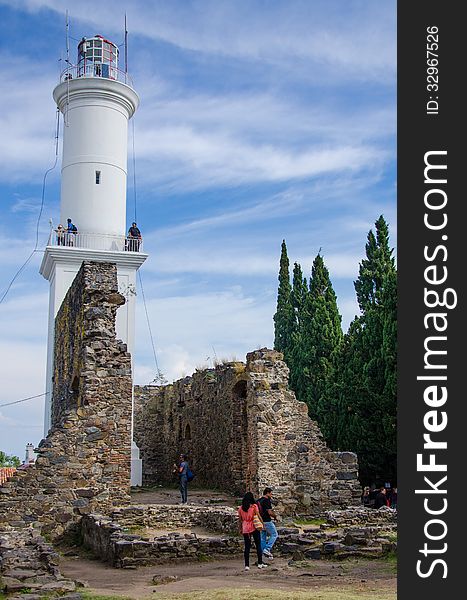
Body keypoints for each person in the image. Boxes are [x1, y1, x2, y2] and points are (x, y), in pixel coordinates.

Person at [238, 492, 266, 571]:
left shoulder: (241, 508)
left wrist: (240, 528)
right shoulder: (254, 506)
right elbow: (258, 516)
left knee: (247, 546)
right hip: (254, 526)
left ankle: (247, 565)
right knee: (258, 544)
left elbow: (240, 520)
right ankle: (260, 563)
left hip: (245, 527)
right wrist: (263, 525)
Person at [257, 487, 278, 559]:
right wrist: (275, 516)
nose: (271, 495)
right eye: (271, 494)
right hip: (267, 521)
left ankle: (263, 552)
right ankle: (267, 549)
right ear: (267, 493)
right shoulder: (267, 501)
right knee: (274, 534)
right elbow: (269, 512)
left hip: (260, 521)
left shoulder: (258, 501)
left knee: (263, 537)